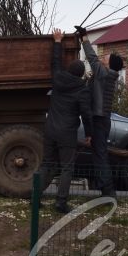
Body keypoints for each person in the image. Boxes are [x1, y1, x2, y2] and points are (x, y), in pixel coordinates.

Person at [37, 28, 93, 214]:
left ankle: (35, 198)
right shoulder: (82, 89)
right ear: (80, 74)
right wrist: (89, 134)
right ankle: (60, 202)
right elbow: (86, 114)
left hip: (50, 129)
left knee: (45, 164)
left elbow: (55, 62)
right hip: (67, 133)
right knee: (67, 168)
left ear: (69, 71)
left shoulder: (59, 79)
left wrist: (58, 41)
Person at [76, 25, 123, 199]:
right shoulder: (109, 76)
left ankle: (108, 191)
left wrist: (84, 38)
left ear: (110, 64)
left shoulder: (103, 74)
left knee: (100, 155)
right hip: (103, 120)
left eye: (107, 57)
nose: (103, 57)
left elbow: (91, 57)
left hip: (98, 120)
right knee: (99, 154)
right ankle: (104, 188)